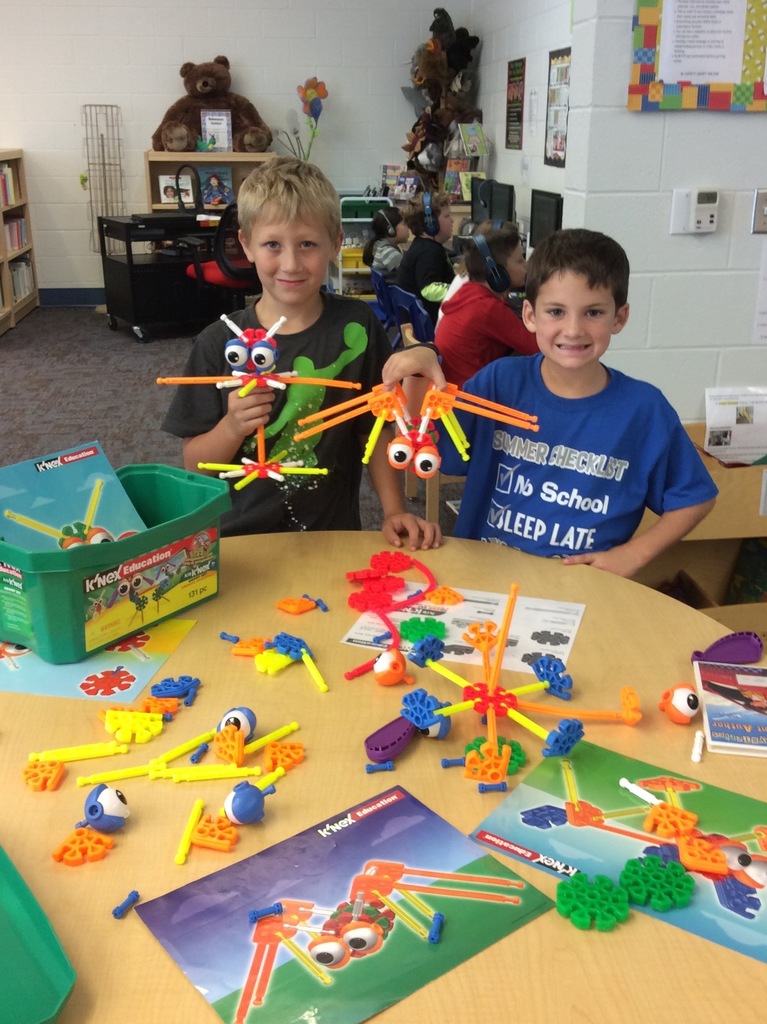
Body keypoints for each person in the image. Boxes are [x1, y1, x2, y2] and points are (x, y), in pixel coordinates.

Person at [162, 156, 444, 551]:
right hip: (241, 543)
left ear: (336, 242)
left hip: (330, 538)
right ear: (246, 245)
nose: (291, 264)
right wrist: (232, 425)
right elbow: (196, 467)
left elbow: (376, 430)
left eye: (307, 244)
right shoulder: (217, 342)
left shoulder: (358, 326)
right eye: (273, 245)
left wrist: (393, 509)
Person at [431, 228, 718, 577]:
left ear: (619, 318)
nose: (573, 329)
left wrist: (634, 554)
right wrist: (420, 364)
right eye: (556, 311)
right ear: (529, 315)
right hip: (486, 579)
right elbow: (436, 452)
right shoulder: (498, 382)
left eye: (593, 313)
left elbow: (696, 497)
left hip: (581, 591)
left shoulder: (644, 409)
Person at [434, 225, 538, 386]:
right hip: (470, 400)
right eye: (520, 260)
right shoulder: (487, 308)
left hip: (454, 391)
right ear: (497, 271)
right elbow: (538, 347)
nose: (526, 266)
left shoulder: (468, 292)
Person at [395, 192, 455, 324]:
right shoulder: (429, 252)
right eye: (447, 216)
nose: (452, 221)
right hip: (429, 325)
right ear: (430, 223)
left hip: (418, 322)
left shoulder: (422, 245)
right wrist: (463, 290)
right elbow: (429, 289)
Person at [361, 207, 409, 280]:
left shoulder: (381, 247)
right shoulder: (389, 252)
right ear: (390, 229)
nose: (408, 227)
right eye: (404, 224)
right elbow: (410, 275)